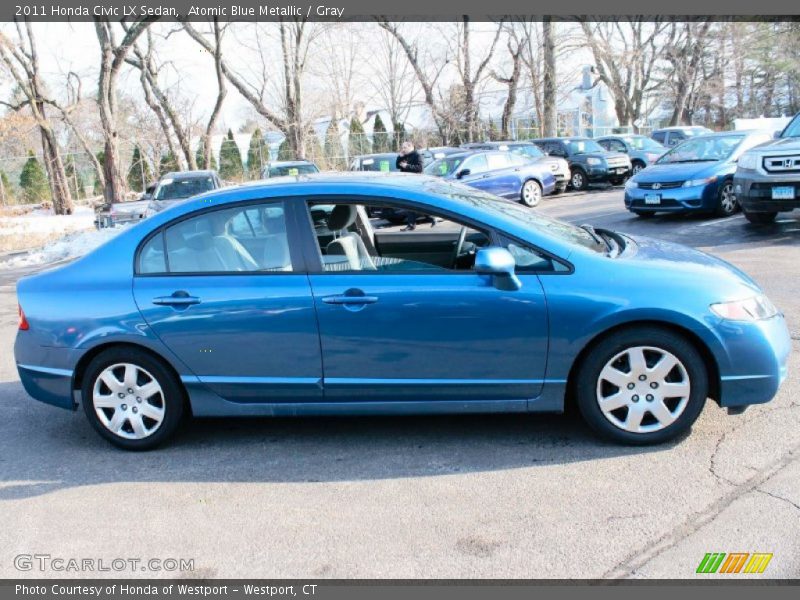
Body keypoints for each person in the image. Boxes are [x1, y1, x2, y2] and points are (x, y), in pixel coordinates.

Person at [395, 141, 430, 230]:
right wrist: (399, 157)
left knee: (418, 203)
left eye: (405, 147)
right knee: (409, 204)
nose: (403, 149)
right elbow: (397, 166)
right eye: (402, 147)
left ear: (411, 147)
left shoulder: (417, 155)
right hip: (406, 183)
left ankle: (431, 217)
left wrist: (407, 166)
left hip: (415, 183)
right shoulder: (404, 156)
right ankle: (411, 224)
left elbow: (420, 168)